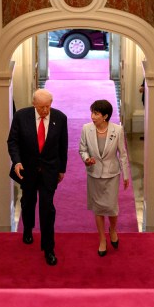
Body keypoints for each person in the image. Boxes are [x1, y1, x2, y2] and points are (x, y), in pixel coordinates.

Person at [7, 88, 68, 266]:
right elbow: (13, 142)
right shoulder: (21, 116)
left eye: (47, 106)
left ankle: (49, 249)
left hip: (49, 171)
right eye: (41, 107)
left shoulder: (60, 118)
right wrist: (17, 162)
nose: (45, 111)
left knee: (47, 208)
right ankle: (27, 227)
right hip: (27, 169)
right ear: (34, 104)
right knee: (28, 201)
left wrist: (62, 169)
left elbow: (63, 146)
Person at [78, 99, 131, 257]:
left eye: (96, 113)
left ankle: (113, 230)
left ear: (105, 116)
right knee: (98, 208)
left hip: (111, 174)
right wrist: (87, 159)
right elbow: (82, 149)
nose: (92, 116)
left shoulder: (117, 130)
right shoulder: (86, 129)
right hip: (94, 173)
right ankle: (102, 239)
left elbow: (122, 154)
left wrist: (126, 175)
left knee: (111, 207)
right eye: (92, 112)